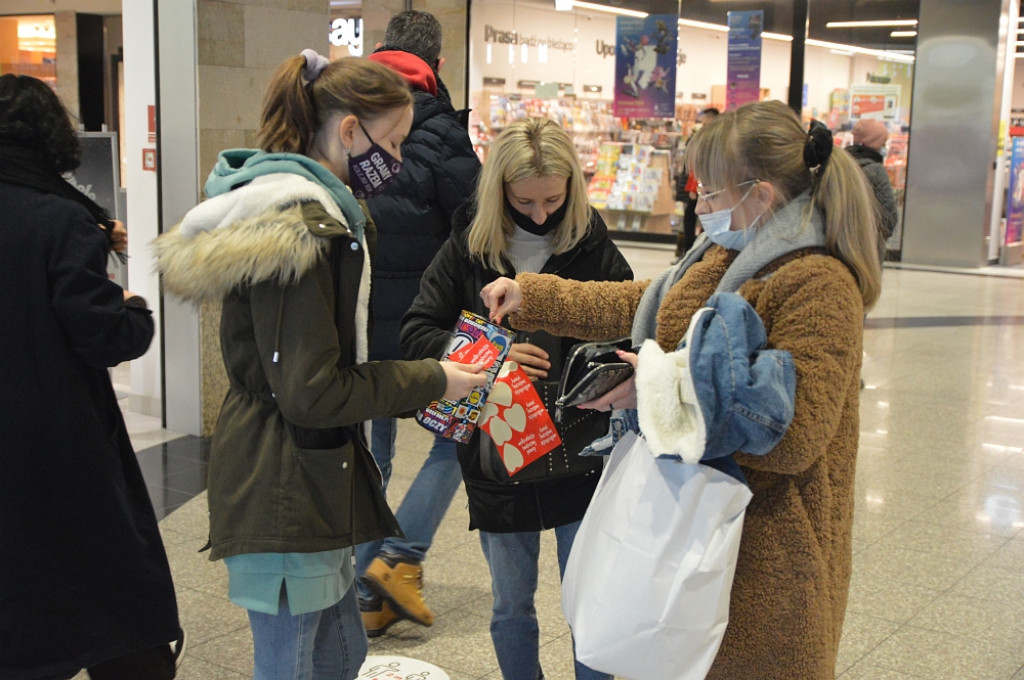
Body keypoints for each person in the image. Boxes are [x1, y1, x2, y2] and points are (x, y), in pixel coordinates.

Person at [482, 100, 881, 680]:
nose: (701, 203)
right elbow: (644, 303)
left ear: (760, 194)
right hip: (695, 532)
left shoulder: (817, 282)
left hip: (768, 557)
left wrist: (655, 388)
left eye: (712, 190)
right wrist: (532, 297)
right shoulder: (727, 251)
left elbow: (793, 435)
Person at [153, 53, 487, 680]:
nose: (398, 159)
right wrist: (434, 377)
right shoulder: (299, 227)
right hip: (285, 487)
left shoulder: (327, 215)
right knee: (297, 661)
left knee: (340, 653)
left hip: (314, 477)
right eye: (392, 141)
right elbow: (311, 389)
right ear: (349, 130)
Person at [401, 117, 632, 680]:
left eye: (553, 199)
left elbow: (628, 326)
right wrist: (492, 358)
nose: (540, 215)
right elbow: (415, 334)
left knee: (589, 602)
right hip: (498, 452)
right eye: (522, 200)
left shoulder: (591, 242)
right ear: (497, 188)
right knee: (511, 606)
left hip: (582, 452)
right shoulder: (467, 245)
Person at [0, 74, 184, 680]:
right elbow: (106, 336)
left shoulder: (70, 221)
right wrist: (130, 302)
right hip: (58, 446)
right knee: (111, 603)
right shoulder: (59, 219)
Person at [356, 9, 483, 637]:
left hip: (357, 318)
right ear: (435, 61)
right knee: (454, 436)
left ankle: (365, 587)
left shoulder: (344, 113)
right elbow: (478, 223)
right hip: (427, 320)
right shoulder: (437, 127)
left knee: (367, 452)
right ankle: (396, 563)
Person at [847, 117, 898, 264]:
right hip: (869, 243)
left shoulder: (842, 164)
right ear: (875, 142)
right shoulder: (875, 170)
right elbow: (889, 213)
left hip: (843, 240)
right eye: (883, 142)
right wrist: (879, 237)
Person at [674, 107, 719, 260]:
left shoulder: (711, 139)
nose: (703, 123)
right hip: (702, 186)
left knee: (696, 218)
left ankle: (695, 251)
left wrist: (694, 188)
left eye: (705, 120)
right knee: (694, 218)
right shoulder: (707, 137)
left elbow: (698, 166)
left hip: (705, 187)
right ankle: (694, 251)